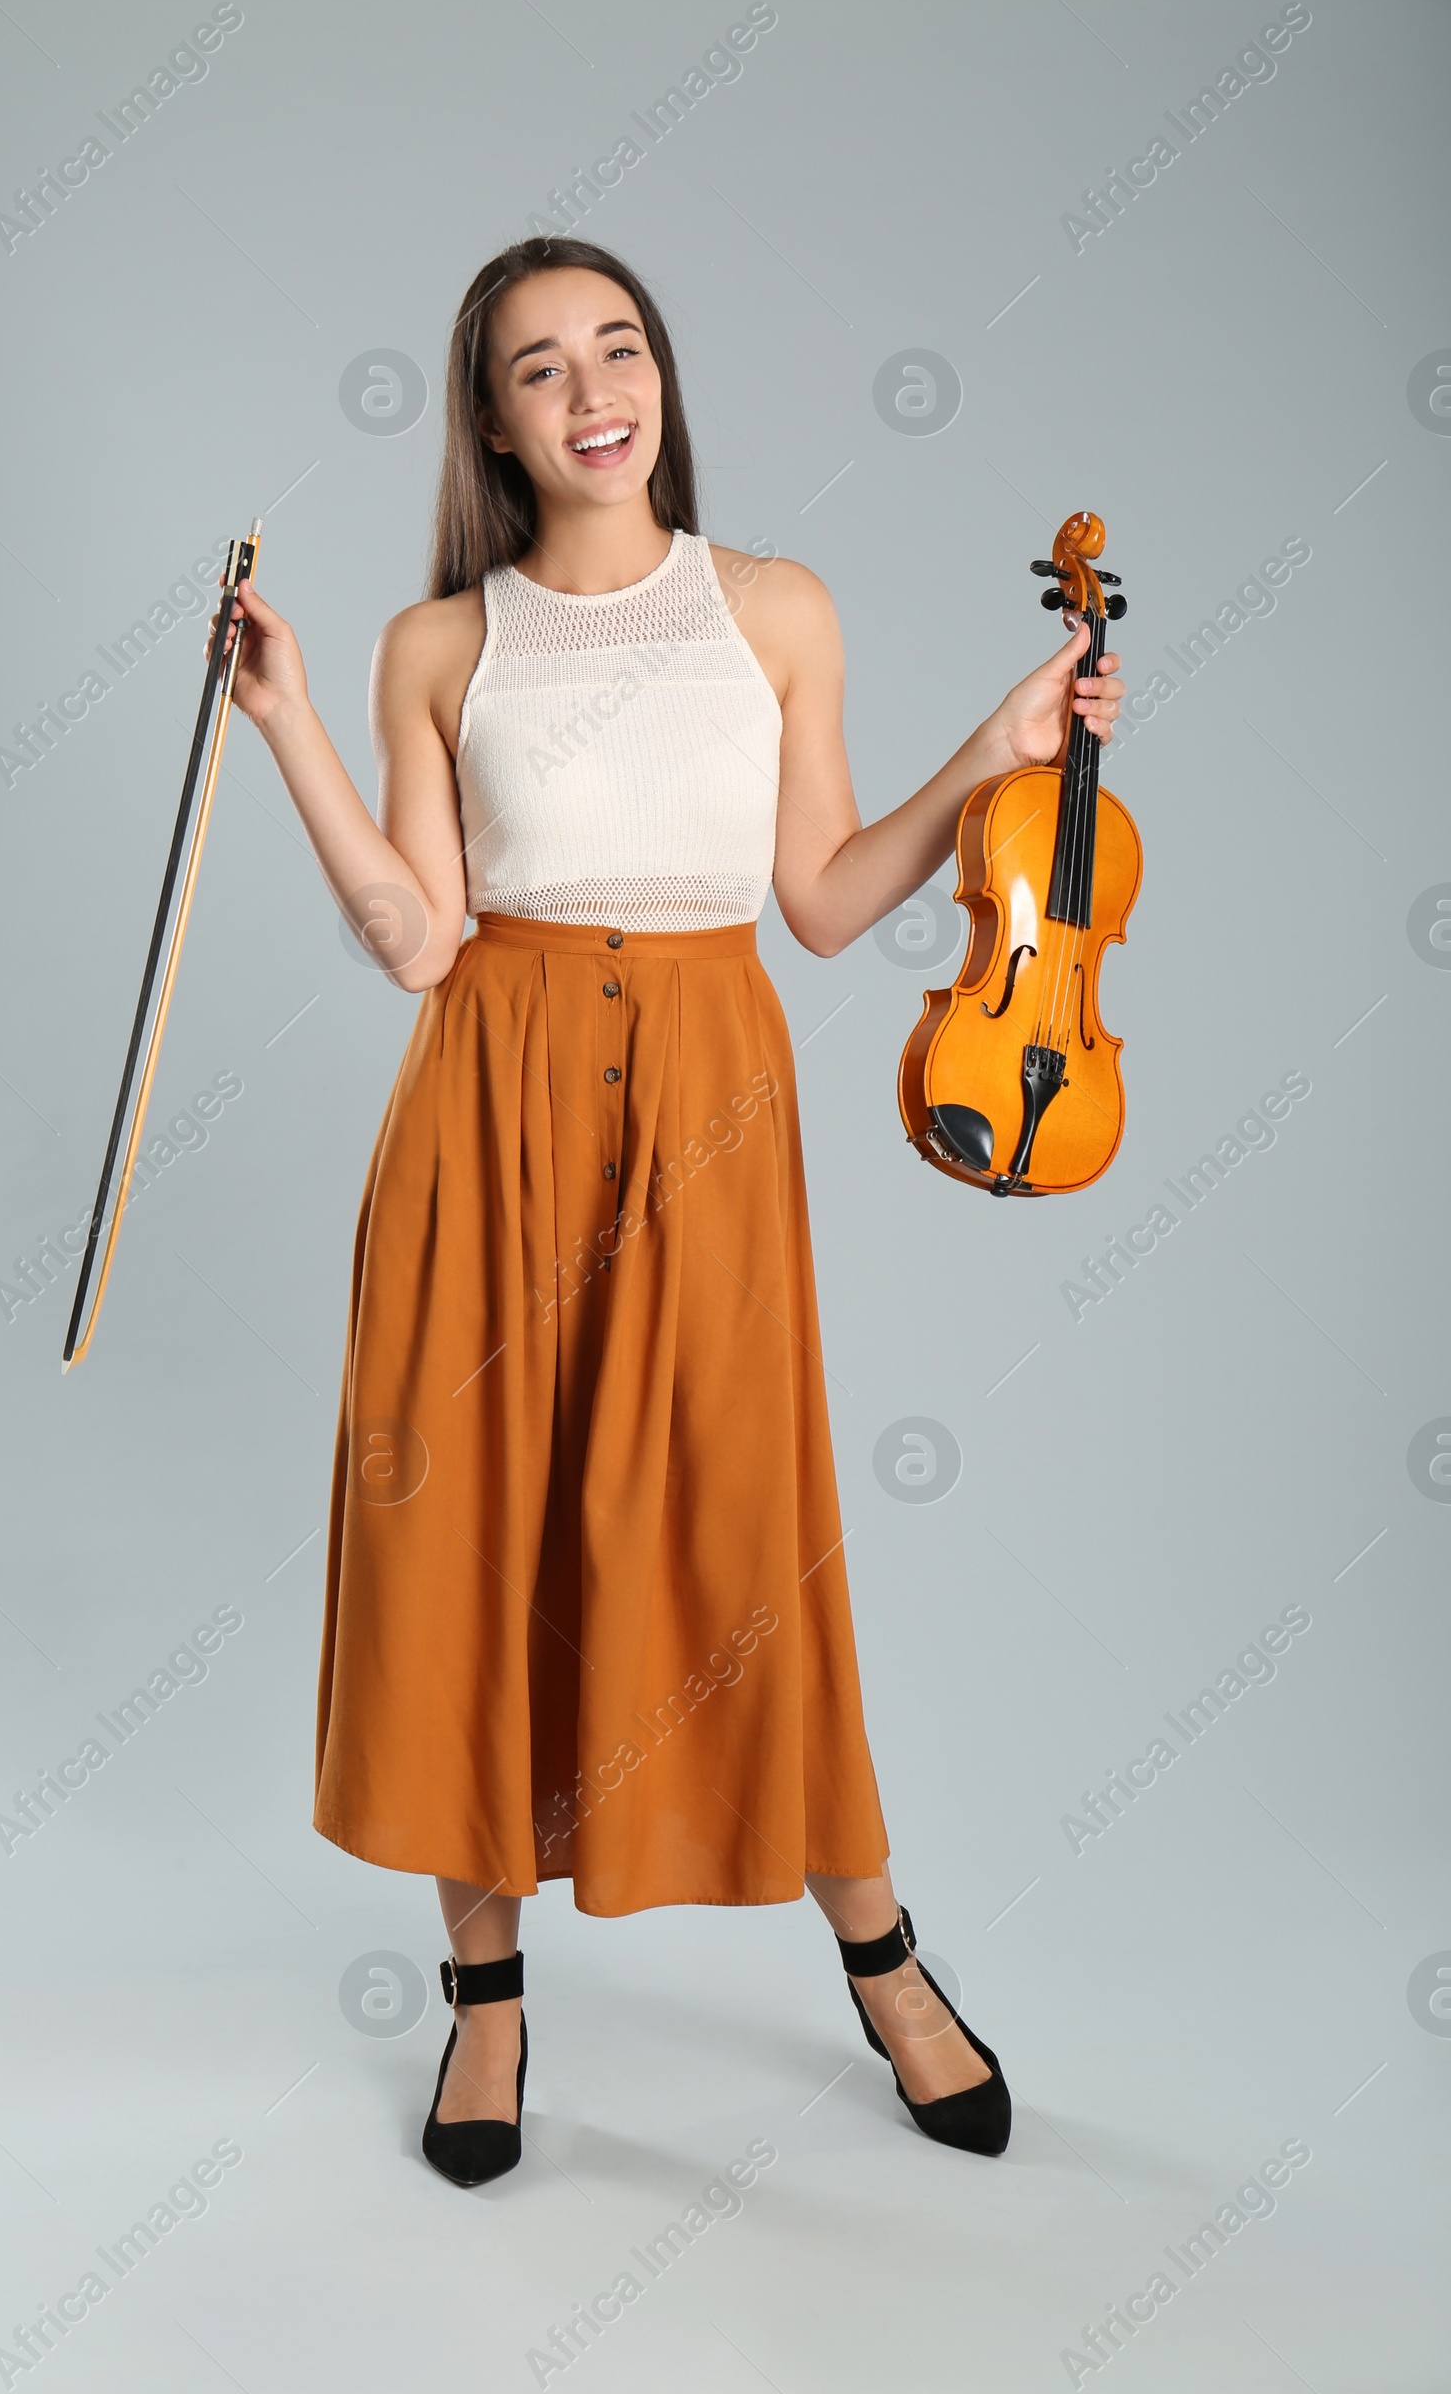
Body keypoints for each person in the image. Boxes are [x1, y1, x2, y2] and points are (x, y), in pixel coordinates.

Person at [217, 236, 1124, 2188]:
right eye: (539, 367)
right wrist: (286, 723)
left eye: (614, 346)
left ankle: (880, 1963)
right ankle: (484, 2005)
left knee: (741, 1531)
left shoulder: (774, 608)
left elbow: (813, 900)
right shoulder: (435, 646)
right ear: (493, 420)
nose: (588, 387)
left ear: (656, 377)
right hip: (487, 1098)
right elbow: (413, 937)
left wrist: (994, 751)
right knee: (470, 1533)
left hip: (707, 1104)